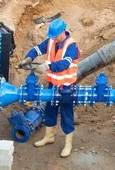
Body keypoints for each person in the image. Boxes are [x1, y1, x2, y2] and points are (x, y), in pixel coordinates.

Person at [17, 19, 80, 158]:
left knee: (66, 115)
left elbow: (64, 64)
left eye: (55, 36)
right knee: (50, 111)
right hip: (53, 85)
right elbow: (38, 49)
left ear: (63, 32)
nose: (53, 39)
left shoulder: (71, 46)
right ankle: (49, 137)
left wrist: (48, 65)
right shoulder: (52, 40)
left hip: (66, 87)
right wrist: (29, 57)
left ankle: (68, 144)